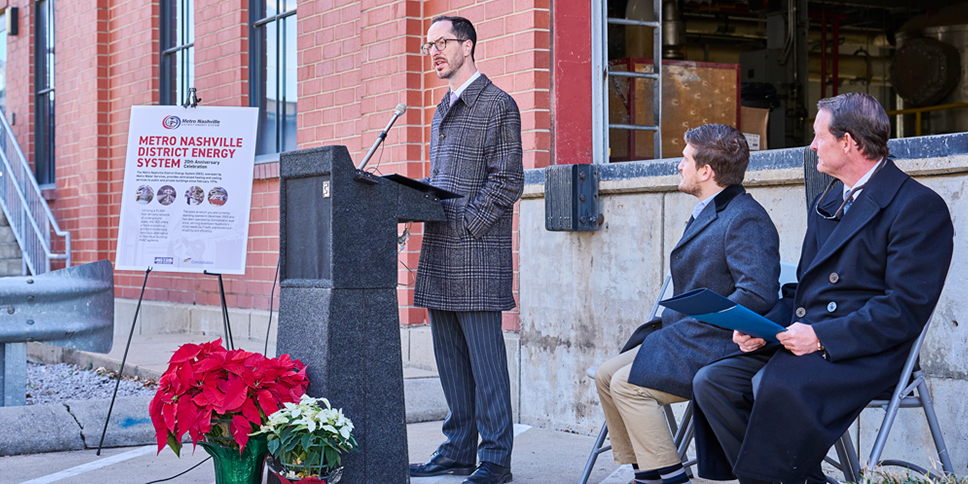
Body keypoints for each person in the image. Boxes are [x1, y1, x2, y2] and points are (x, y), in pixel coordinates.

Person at [692, 92, 954, 484]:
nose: (812, 146)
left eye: (818, 137)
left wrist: (819, 336)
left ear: (847, 141)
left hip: (868, 349)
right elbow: (804, 293)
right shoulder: (830, 198)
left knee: (771, 385)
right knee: (712, 382)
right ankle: (784, 477)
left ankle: (776, 476)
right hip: (808, 337)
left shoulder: (917, 206)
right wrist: (763, 330)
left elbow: (904, 309)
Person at [595, 124, 780, 484]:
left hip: (716, 341)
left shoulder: (746, 218)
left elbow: (758, 293)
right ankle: (647, 473)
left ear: (706, 171)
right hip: (684, 332)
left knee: (627, 385)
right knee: (606, 375)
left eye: (685, 159)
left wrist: (704, 317)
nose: (679, 166)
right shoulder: (712, 209)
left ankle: (671, 476)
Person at [408, 15, 523, 484]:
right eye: (428, 44)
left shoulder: (498, 104)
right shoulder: (442, 108)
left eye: (443, 42)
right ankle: (458, 448)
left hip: (475, 254)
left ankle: (495, 459)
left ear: (468, 45)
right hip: (440, 254)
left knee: (486, 363)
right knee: (451, 361)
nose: (434, 51)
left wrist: (466, 228)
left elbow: (507, 180)